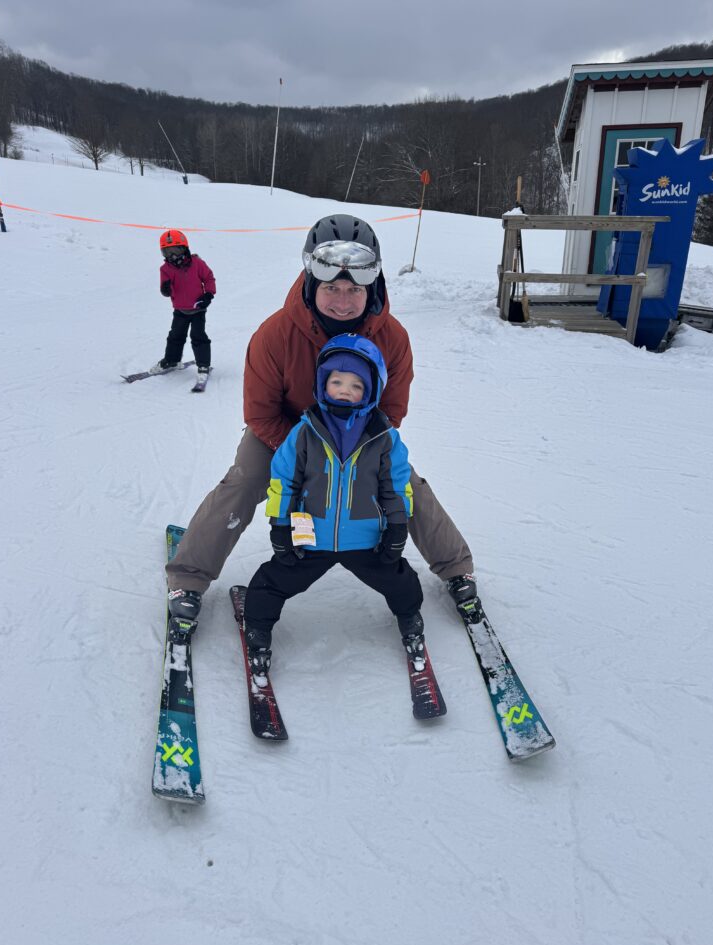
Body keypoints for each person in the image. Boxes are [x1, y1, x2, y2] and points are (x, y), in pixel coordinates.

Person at [166, 213, 478, 633]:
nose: (344, 301)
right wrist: (306, 452)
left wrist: (351, 452)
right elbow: (260, 413)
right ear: (313, 283)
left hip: (360, 436)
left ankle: (457, 568)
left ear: (373, 286)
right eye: (332, 288)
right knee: (244, 481)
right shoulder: (275, 335)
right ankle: (188, 578)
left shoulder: (393, 339)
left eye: (355, 289)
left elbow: (392, 411)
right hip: (282, 435)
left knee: (406, 487)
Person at [242, 334, 425, 675]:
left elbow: (396, 486)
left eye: (356, 385)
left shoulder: (384, 438)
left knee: (400, 581)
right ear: (321, 384)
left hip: (366, 540)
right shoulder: (304, 433)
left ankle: (410, 617)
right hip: (312, 539)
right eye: (336, 381)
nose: (344, 389)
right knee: (272, 582)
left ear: (371, 391)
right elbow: (284, 481)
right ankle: (257, 627)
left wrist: (398, 526)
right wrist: (280, 526)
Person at [152, 229, 216, 385]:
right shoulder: (165, 269)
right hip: (180, 309)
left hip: (198, 309)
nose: (172, 256)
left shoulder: (197, 264)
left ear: (184, 248)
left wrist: (208, 294)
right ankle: (171, 360)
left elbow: (208, 278)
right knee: (175, 336)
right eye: (167, 252)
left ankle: (203, 365)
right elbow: (165, 290)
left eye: (175, 250)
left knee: (198, 336)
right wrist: (165, 289)